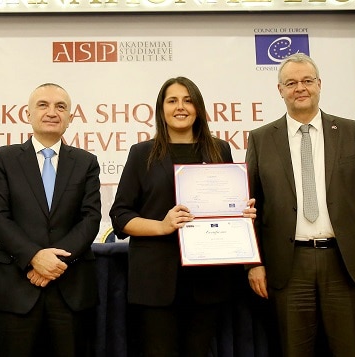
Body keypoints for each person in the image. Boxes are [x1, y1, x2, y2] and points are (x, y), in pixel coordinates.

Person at [245, 53, 355, 357]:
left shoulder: (351, 131)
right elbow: (251, 207)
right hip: (287, 264)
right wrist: (254, 262)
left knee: (349, 350)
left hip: (343, 262)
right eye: (291, 82)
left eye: (307, 81)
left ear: (319, 84)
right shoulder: (260, 139)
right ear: (280, 90)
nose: (300, 88)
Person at [109, 76, 256, 356]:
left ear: (198, 108)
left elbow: (229, 205)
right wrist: (162, 226)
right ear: (161, 108)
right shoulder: (142, 154)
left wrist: (241, 213)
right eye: (172, 100)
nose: (181, 107)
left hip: (208, 280)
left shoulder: (219, 149)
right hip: (156, 282)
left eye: (188, 100)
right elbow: (120, 215)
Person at [0, 83, 101, 357]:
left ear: (70, 118)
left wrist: (54, 262)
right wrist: (34, 257)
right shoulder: (2, 159)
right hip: (17, 287)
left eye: (61, 107)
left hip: (71, 290)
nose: (52, 112)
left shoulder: (86, 162)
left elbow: (90, 218)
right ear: (27, 114)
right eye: (43, 105)